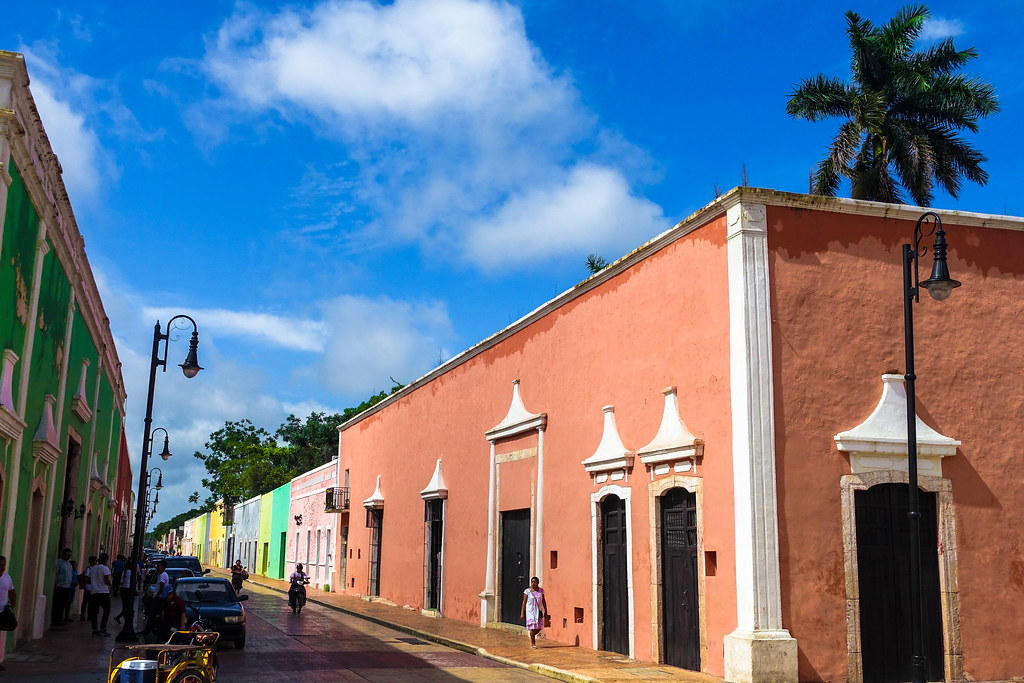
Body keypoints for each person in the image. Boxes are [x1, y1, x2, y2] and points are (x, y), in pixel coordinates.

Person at [140, 559, 169, 636]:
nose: (157, 567)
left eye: (158, 566)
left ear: (162, 567)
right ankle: (149, 630)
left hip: (159, 598)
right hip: (159, 597)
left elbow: (162, 586)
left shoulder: (163, 575)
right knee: (152, 614)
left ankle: (148, 631)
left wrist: (157, 595)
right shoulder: (162, 574)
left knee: (152, 614)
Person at [520, 576, 548, 649]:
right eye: (532, 582)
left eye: (534, 582)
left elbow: (543, 601)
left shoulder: (541, 591)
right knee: (532, 627)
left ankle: (532, 635)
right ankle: (533, 643)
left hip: (538, 610)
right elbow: (524, 602)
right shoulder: (527, 591)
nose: (533, 583)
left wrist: (546, 611)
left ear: (538, 583)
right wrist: (522, 613)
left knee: (539, 627)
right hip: (530, 611)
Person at [88, 553, 113, 636]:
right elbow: (107, 581)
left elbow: (88, 579)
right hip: (103, 592)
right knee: (106, 610)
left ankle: (94, 629)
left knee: (94, 612)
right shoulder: (105, 569)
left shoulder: (93, 568)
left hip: (94, 592)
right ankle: (102, 628)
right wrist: (109, 581)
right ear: (106, 559)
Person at [50, 547, 73, 631]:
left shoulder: (69, 564)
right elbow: (55, 573)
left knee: (63, 604)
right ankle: (55, 620)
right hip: (60, 586)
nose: (68, 557)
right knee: (57, 604)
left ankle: (60, 619)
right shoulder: (59, 562)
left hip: (67, 587)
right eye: (67, 555)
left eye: (70, 555)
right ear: (63, 555)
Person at [79, 556, 96, 621]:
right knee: (85, 602)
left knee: (90, 603)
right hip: (88, 588)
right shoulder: (88, 569)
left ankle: (89, 616)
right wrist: (93, 581)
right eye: (95, 561)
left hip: (92, 589)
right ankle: (82, 616)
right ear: (92, 562)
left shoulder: (94, 569)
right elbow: (86, 578)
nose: (96, 562)